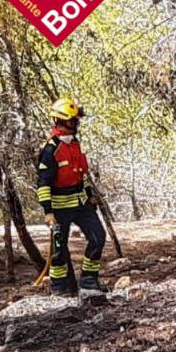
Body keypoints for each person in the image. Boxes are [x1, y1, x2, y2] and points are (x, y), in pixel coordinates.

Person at [36, 98, 107, 297]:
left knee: (98, 237)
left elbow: (80, 175)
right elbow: (43, 184)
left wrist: (90, 196)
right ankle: (61, 286)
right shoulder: (50, 150)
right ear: (61, 121)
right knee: (59, 248)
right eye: (73, 121)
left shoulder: (75, 144)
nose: (76, 124)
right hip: (59, 208)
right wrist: (48, 212)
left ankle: (89, 279)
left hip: (81, 204)